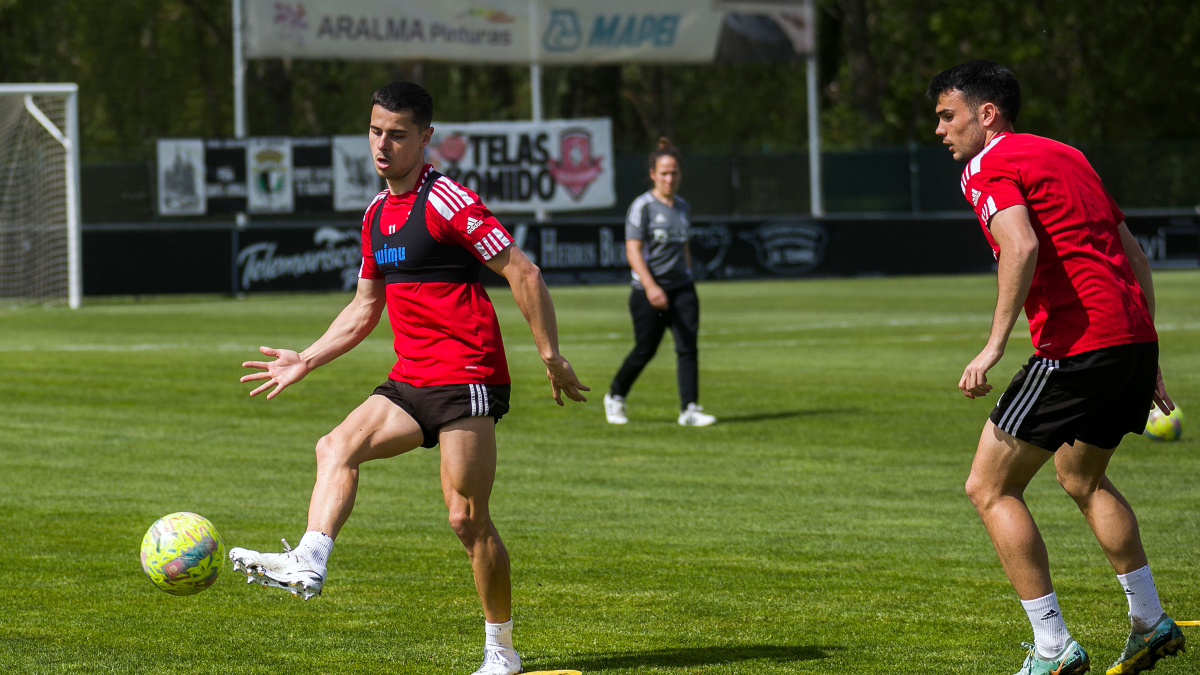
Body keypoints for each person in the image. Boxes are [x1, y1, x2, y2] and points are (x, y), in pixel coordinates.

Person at [228, 81, 589, 675]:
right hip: (413, 375)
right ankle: (310, 561)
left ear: (425, 137)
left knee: (466, 519)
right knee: (335, 445)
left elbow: (523, 272)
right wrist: (307, 358)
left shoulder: (450, 202)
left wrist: (550, 355)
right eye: (375, 131)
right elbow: (366, 306)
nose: (383, 144)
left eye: (397, 134)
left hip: (467, 373)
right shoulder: (376, 214)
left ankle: (502, 653)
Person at [928, 60, 1187, 675]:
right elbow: (1133, 253)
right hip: (1128, 339)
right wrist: (1146, 353)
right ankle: (1149, 621)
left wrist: (993, 346)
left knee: (989, 488)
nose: (940, 129)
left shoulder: (986, 165)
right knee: (1082, 478)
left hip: (1077, 347)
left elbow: (1020, 244)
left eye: (947, 115)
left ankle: (1052, 647)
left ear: (986, 114)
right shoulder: (1068, 154)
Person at [604, 137, 715, 427]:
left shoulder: (682, 207)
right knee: (645, 349)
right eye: (664, 172)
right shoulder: (642, 207)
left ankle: (689, 409)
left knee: (688, 347)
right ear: (653, 174)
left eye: (674, 172)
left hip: (682, 288)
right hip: (647, 291)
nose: (670, 178)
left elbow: (684, 246)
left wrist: (688, 274)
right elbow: (632, 250)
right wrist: (651, 286)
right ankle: (615, 395)